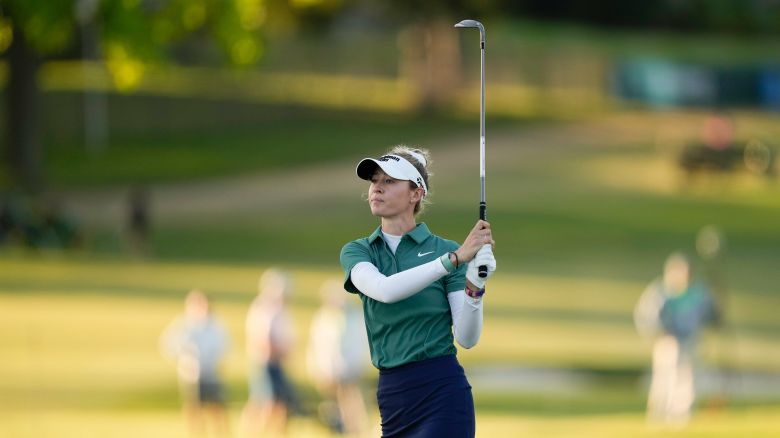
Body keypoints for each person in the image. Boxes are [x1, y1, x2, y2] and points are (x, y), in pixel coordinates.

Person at [339, 145, 497, 437]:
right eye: (374, 181)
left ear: (416, 193)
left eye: (389, 181)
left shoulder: (444, 249)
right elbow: (383, 290)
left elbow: (467, 338)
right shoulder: (359, 251)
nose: (377, 188)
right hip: (393, 396)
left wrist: (475, 285)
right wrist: (452, 262)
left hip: (443, 390)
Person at [634, 252, 720, 426]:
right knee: (665, 376)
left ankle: (682, 416)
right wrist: (660, 333)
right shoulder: (661, 292)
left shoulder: (699, 292)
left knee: (688, 377)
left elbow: (712, 313)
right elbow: (647, 317)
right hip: (668, 340)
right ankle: (660, 413)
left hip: (691, 339)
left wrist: (717, 315)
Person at [160, 289, 230, 438]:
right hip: (192, 374)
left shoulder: (215, 324)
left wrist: (216, 361)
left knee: (217, 406)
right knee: (195, 408)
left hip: (211, 372)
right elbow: (169, 345)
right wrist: (184, 360)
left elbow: (224, 345)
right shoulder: (185, 324)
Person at [240, 268, 301, 437]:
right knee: (264, 401)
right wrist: (279, 352)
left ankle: (278, 433)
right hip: (265, 362)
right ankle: (253, 432)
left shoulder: (280, 309)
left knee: (280, 402)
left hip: (276, 362)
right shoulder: (264, 308)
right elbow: (263, 339)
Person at [306, 278, 370, 436]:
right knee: (333, 401)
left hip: (349, 367)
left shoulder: (353, 317)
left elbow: (359, 343)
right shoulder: (323, 318)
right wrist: (317, 367)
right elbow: (318, 345)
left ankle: (355, 428)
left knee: (351, 398)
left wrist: (357, 364)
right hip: (330, 368)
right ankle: (339, 427)